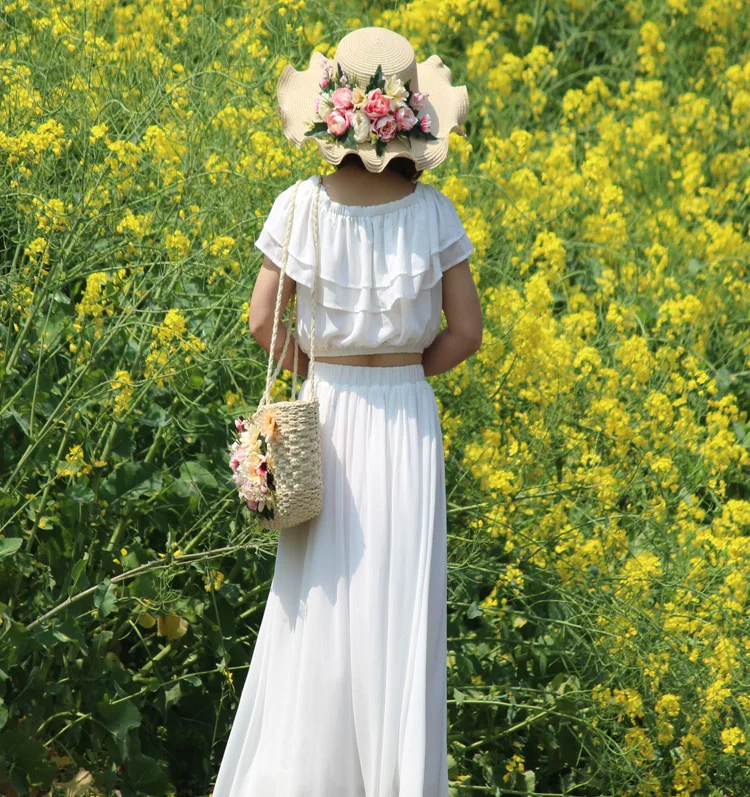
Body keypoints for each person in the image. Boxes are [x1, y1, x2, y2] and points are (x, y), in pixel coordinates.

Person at [212, 25, 483, 797]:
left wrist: (322, 370)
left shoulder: (299, 207)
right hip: (403, 418)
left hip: (324, 412)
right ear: (413, 125)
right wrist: (401, 371)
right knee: (397, 609)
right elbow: (466, 333)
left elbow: (263, 321)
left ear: (335, 119)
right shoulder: (435, 215)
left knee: (314, 602)